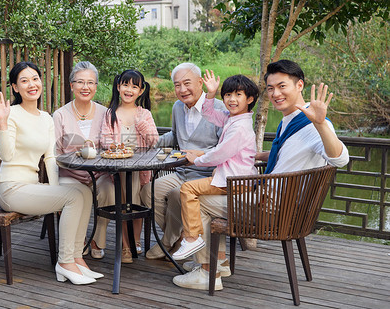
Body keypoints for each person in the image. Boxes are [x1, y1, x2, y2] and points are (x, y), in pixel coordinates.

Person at [172, 59, 350, 291]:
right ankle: (221, 262)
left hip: (274, 210)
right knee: (198, 194)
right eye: (271, 88)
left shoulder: (311, 125)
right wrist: (258, 155)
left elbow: (341, 158)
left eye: (282, 86)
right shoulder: (290, 120)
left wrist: (321, 124)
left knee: (197, 200)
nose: (276, 93)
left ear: (299, 86)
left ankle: (208, 272)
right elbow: (287, 152)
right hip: (278, 203)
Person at [0, 61, 102, 285]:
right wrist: (2, 123)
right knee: (72, 197)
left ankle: (77, 258)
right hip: (12, 188)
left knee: (83, 191)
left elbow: (51, 157)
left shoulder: (46, 118)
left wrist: (56, 191)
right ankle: (64, 262)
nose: (31, 84)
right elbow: (5, 155)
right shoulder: (11, 114)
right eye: (24, 80)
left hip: (33, 187)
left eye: (35, 78)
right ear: (15, 88)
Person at [139, 62, 226, 260]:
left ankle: (167, 242)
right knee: (148, 192)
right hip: (181, 172)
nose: (182, 89)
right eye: (177, 85)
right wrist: (153, 141)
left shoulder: (219, 108)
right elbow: (175, 135)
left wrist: (199, 155)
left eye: (187, 83)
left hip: (206, 176)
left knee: (177, 196)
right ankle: (178, 238)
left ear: (200, 82)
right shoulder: (178, 107)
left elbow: (226, 148)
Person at [172, 73, 259, 261]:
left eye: (238, 95)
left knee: (188, 189)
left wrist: (197, 160)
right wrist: (211, 93)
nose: (231, 99)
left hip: (234, 181)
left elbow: (220, 153)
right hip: (231, 178)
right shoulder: (231, 119)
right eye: (227, 95)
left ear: (249, 99)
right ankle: (217, 259)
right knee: (190, 189)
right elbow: (208, 113)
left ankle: (192, 237)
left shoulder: (239, 127)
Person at [53, 61, 113, 260]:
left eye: (90, 83)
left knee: (110, 190)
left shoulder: (106, 113)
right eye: (80, 82)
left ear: (96, 86)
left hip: (99, 174)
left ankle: (97, 240)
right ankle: (77, 241)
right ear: (71, 86)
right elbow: (54, 153)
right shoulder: (60, 115)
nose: (85, 87)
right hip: (71, 175)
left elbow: (110, 146)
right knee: (73, 194)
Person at [100, 69, 159, 263]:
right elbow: (104, 140)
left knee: (136, 200)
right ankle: (126, 245)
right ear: (118, 87)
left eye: (134, 86)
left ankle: (135, 240)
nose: (129, 89)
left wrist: (140, 123)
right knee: (126, 201)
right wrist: (116, 146)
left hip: (140, 170)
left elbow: (153, 141)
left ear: (140, 91)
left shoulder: (144, 114)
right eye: (125, 85)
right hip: (117, 171)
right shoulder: (111, 114)